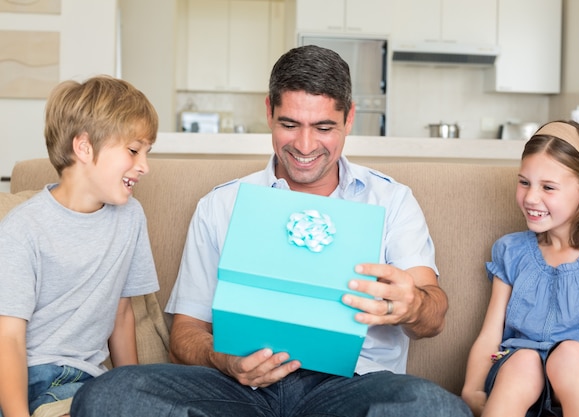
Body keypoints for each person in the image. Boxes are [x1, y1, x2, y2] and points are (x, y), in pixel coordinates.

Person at [70, 45, 471, 417]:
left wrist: (412, 305)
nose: (305, 144)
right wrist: (224, 360)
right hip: (239, 388)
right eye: (290, 124)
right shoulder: (221, 205)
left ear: (350, 118)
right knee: (107, 396)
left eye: (325, 127)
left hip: (352, 389)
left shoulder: (391, 201)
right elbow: (186, 333)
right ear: (269, 112)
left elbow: (433, 316)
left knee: (439, 408)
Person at [0, 75, 160, 417]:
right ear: (84, 147)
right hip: (28, 376)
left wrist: (131, 394)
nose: (144, 165)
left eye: (146, 152)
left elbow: (121, 314)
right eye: (133, 150)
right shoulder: (24, 228)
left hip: (86, 383)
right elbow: (8, 339)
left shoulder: (130, 217)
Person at [461, 120, 579, 417]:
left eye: (548, 187)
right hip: (518, 382)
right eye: (524, 182)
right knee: (524, 361)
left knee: (571, 355)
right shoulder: (512, 251)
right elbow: (490, 333)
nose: (530, 197)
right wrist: (472, 389)